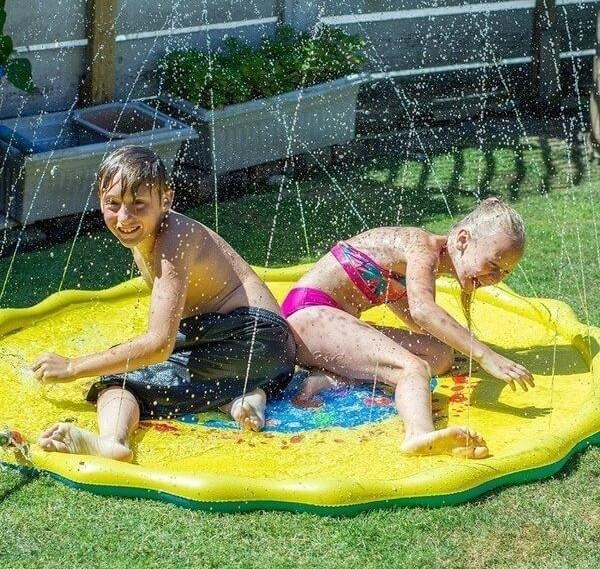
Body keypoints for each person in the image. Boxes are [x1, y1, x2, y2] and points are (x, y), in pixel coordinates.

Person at [31, 145, 295, 462]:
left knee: (119, 378)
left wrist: (74, 366)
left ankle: (113, 441)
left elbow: (158, 345)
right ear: (99, 199)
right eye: (112, 203)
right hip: (272, 355)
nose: (124, 217)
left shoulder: (174, 239)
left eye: (138, 204)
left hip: (249, 340)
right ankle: (242, 396)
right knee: (148, 364)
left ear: (166, 199)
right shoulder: (151, 234)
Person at [282, 198, 533, 458]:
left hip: (328, 324)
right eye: (493, 265)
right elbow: (422, 312)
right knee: (412, 367)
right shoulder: (421, 248)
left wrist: (463, 346)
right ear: (462, 240)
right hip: (307, 317)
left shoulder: (412, 262)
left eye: (505, 273)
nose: (495, 278)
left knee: (440, 354)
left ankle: (331, 377)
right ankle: (418, 435)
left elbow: (419, 324)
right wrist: (484, 354)